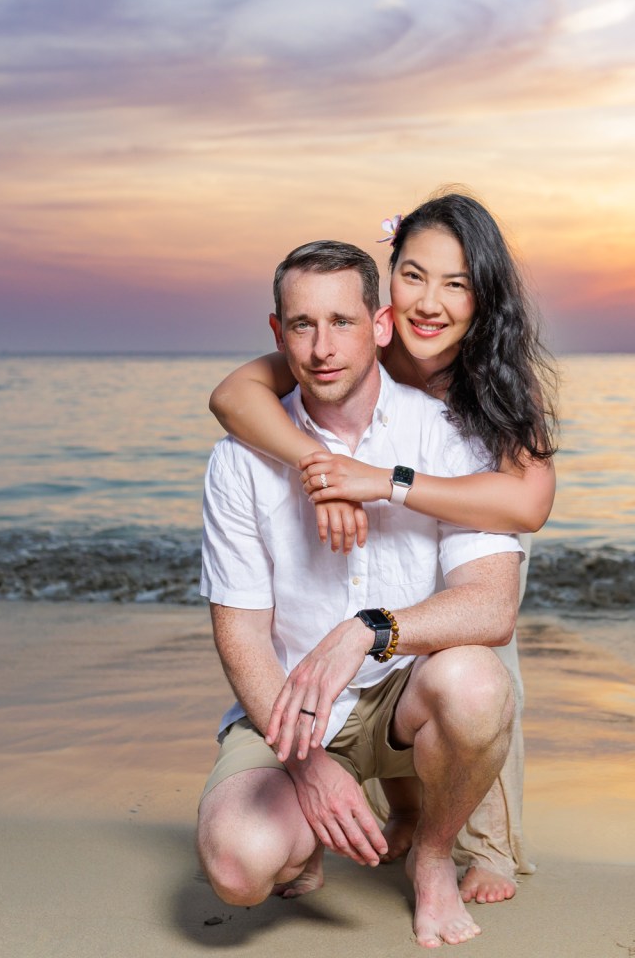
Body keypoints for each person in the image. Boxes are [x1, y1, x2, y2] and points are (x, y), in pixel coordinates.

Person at [208, 190, 557, 903]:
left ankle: (478, 843)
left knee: (482, 668)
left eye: (457, 284)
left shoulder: (483, 392)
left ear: (482, 299)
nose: (431, 301)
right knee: (246, 856)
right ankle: (384, 810)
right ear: (389, 292)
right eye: (415, 274)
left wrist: (384, 483)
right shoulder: (345, 346)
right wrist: (320, 468)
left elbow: (526, 504)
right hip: (351, 604)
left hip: (457, 539)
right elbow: (233, 396)